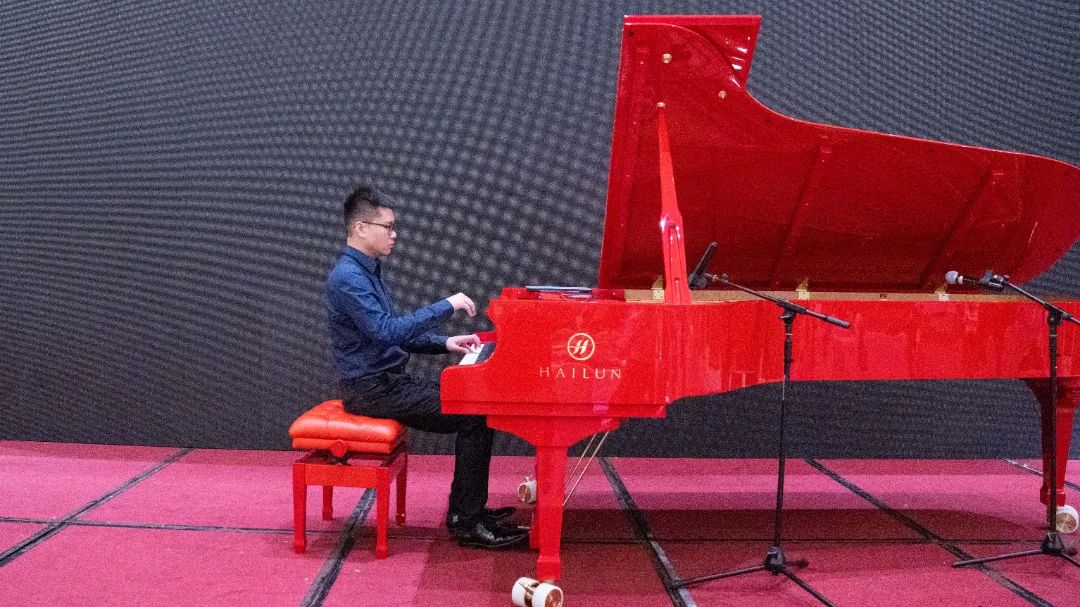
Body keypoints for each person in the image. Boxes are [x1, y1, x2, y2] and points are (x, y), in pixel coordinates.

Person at [324, 185, 526, 549]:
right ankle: (466, 520)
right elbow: (387, 331)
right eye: (387, 227)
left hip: (386, 383)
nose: (394, 235)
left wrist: (445, 343)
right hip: (371, 391)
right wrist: (446, 305)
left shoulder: (367, 271)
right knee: (474, 415)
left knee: (476, 409)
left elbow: (390, 333)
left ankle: (469, 512)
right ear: (360, 228)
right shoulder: (348, 277)